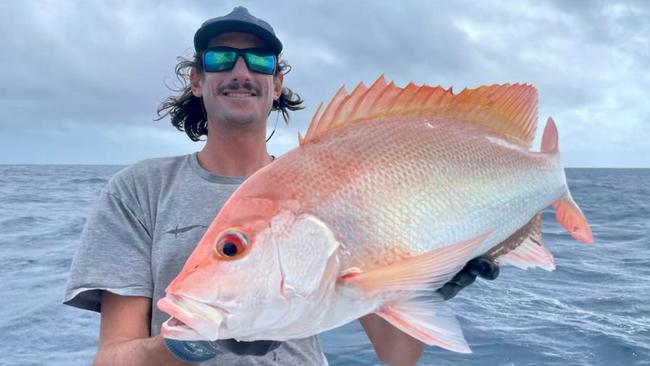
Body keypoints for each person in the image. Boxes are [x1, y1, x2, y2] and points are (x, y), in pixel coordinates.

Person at [63, 6, 499, 366]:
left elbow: (397, 355)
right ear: (196, 80)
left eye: (259, 61)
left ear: (277, 84)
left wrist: (421, 291)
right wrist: (198, 342)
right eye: (219, 59)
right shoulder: (139, 191)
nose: (240, 71)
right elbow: (112, 359)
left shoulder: (339, 187)